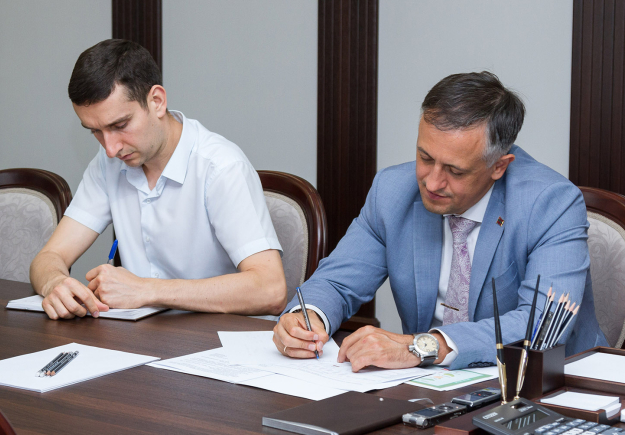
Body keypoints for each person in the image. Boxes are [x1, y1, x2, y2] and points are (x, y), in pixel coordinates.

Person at [273, 71, 607, 370]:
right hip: (429, 389)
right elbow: (337, 282)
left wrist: (425, 346)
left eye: (455, 171)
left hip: (545, 386)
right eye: (425, 157)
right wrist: (306, 317)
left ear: (499, 166)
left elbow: (543, 324)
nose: (432, 183)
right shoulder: (392, 192)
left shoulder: (550, 203)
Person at [30, 39, 286, 320]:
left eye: (120, 125)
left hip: (217, 337)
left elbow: (270, 290)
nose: (111, 148)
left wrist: (147, 290)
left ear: (157, 102)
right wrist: (55, 283)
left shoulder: (221, 167)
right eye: (95, 131)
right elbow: (49, 257)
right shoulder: (108, 163)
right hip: (142, 336)